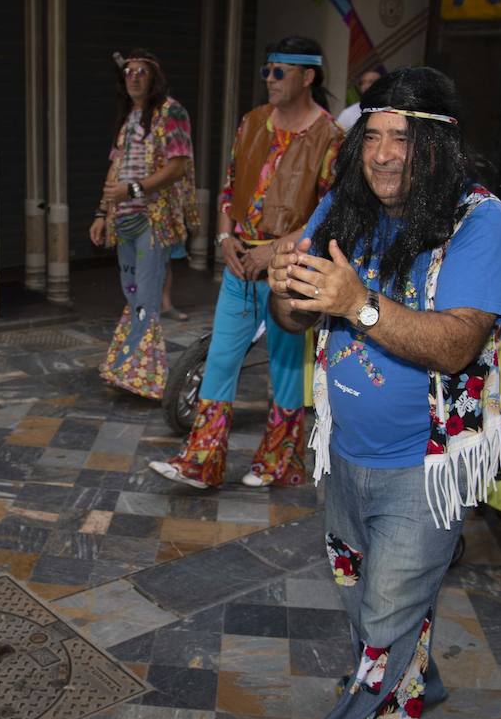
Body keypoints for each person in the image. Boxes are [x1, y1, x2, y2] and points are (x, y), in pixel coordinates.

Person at [266, 66, 501, 719]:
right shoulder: (344, 205)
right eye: (370, 136)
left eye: (400, 139)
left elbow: (456, 344)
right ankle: (415, 671)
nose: (380, 154)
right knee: (362, 596)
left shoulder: (480, 222)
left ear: (437, 147)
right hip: (344, 451)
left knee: (382, 621)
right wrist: (283, 288)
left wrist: (360, 305)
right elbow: (292, 318)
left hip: (426, 467)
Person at [148, 35, 342, 489]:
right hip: (241, 263)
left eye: (279, 71)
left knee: (286, 369)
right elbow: (231, 187)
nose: (269, 79)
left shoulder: (331, 137)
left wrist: (271, 253)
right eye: (266, 70)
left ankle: (279, 464)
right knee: (220, 358)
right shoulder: (252, 122)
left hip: (291, 269)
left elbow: (328, 215)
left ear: (307, 76)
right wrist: (224, 238)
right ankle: (201, 462)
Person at [91, 49, 198, 399]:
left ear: (154, 78)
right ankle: (128, 366)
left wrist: (133, 189)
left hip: (154, 218)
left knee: (147, 298)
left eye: (141, 72)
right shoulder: (128, 118)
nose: (134, 77)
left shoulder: (171, 112)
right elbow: (115, 168)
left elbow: (178, 166)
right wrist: (102, 213)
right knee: (134, 294)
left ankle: (142, 375)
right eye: (129, 72)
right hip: (123, 219)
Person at [335, 69, 382, 133]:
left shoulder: (391, 109)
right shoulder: (348, 113)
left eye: (371, 82)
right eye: (362, 83)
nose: (365, 86)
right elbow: (337, 135)